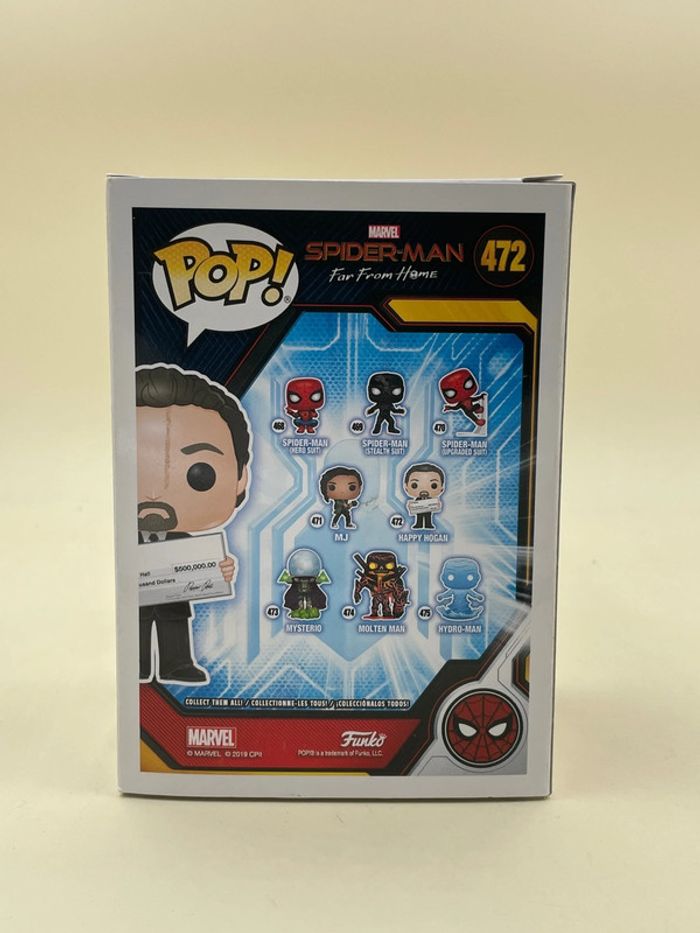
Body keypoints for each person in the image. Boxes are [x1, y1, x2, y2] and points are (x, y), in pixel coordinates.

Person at [136, 364, 251, 684]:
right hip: (134, 596)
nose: (154, 494)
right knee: (136, 625)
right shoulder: (119, 539)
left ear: (240, 478)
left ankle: (176, 663)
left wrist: (219, 569)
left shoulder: (186, 542)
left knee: (174, 624)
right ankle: (137, 663)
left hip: (175, 597)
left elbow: (203, 568)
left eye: (200, 473)